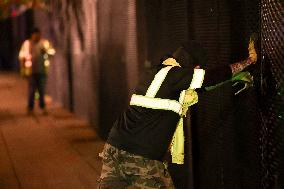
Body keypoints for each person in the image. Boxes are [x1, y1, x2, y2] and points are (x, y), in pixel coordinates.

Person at [98, 39, 257, 188]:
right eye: (198, 68)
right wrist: (249, 61)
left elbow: (202, 86)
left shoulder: (157, 74)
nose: (198, 71)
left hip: (114, 146)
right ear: (193, 66)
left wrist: (233, 78)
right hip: (142, 156)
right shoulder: (174, 75)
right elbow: (209, 78)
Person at [18, 28, 55, 115]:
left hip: (42, 71)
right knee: (32, 91)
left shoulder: (44, 43)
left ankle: (42, 107)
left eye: (38, 34)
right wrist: (22, 68)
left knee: (41, 90)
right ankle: (30, 108)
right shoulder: (27, 44)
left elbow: (52, 52)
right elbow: (21, 56)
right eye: (35, 35)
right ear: (32, 35)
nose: (36, 36)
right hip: (31, 71)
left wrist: (46, 52)